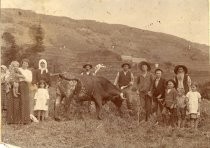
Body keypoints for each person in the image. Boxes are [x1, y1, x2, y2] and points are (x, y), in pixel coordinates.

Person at [18, 58, 33, 124]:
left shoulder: (29, 71)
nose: (25, 64)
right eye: (24, 63)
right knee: (19, 101)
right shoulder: (19, 69)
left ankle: (25, 120)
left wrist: (24, 77)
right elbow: (16, 77)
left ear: (28, 65)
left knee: (25, 101)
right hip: (18, 85)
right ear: (22, 63)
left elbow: (30, 80)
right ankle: (19, 119)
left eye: (26, 63)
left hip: (25, 86)